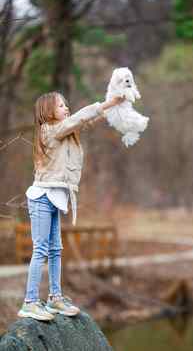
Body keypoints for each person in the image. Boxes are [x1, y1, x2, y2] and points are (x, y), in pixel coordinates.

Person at [17, 91, 124, 320]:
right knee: (41, 250)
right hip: (41, 197)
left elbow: (85, 120)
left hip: (56, 197)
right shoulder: (49, 130)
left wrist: (113, 106)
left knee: (56, 250)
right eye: (61, 105)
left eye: (67, 104)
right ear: (48, 111)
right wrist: (106, 103)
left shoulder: (66, 131)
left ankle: (55, 298)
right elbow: (79, 118)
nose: (67, 108)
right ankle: (30, 301)